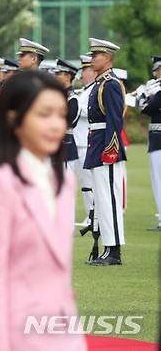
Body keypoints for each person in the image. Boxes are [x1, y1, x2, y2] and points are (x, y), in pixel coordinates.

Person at [0, 71, 87, 351]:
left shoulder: (64, 182)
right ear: (14, 119)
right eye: (44, 114)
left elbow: (61, 278)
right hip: (16, 337)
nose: (55, 125)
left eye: (60, 115)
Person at [83, 38, 126, 266]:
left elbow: (114, 120)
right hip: (96, 145)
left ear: (107, 58)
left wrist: (111, 149)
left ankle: (114, 250)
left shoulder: (110, 84)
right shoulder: (100, 84)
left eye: (96, 55)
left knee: (109, 199)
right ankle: (109, 248)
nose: (92, 59)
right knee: (102, 200)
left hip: (106, 148)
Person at [74, 55, 96, 227]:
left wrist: (74, 107)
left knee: (88, 181)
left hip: (86, 140)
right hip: (79, 140)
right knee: (84, 182)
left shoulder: (95, 89)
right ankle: (91, 215)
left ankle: (93, 216)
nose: (82, 75)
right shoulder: (84, 91)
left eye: (84, 70)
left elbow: (92, 112)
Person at [141, 56, 161, 231]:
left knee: (158, 180)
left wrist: (144, 97)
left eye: (157, 70)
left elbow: (148, 109)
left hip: (158, 139)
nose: (155, 74)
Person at [54, 59, 80, 170]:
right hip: (55, 146)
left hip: (65, 146)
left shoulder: (72, 98)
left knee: (64, 185)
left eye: (58, 74)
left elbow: (67, 122)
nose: (55, 76)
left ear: (68, 76)